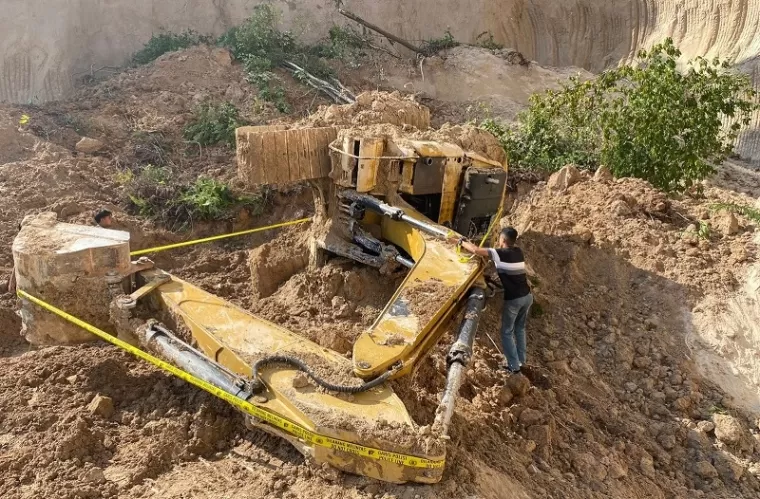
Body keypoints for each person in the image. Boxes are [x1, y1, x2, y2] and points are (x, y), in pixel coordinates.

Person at [457, 227, 533, 374]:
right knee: (520, 328)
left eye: (499, 238)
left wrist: (462, 241)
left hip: (515, 300)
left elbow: (476, 250)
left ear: (503, 240)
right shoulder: (518, 252)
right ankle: (521, 361)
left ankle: (513, 367)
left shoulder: (499, 253)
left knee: (506, 332)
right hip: (527, 297)